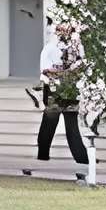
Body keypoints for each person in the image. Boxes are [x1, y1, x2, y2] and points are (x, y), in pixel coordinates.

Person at [36, 16, 91, 179]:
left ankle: (84, 162)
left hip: (70, 91)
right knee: (49, 125)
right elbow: (46, 70)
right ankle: (42, 158)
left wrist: (70, 73)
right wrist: (65, 73)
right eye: (62, 28)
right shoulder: (50, 48)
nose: (65, 31)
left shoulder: (76, 47)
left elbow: (81, 66)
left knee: (72, 127)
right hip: (54, 91)